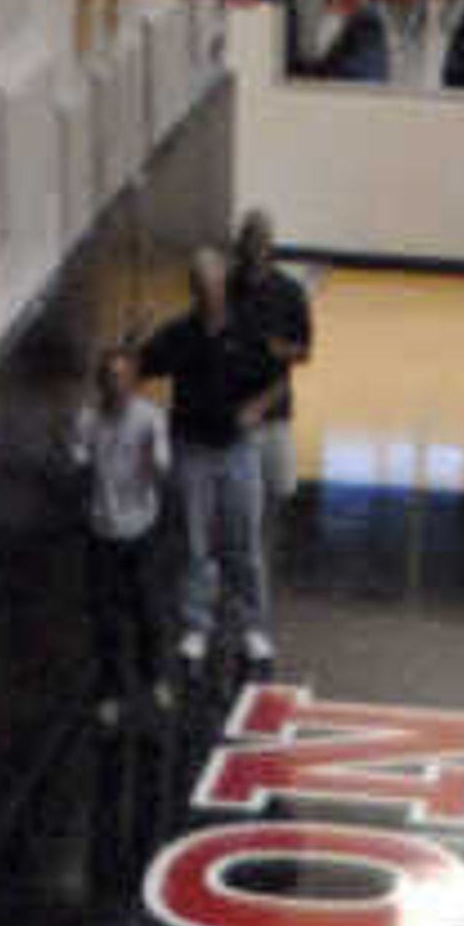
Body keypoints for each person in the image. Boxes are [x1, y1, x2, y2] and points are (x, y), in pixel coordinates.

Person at [141, 246, 276, 674]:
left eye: (210, 283)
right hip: (193, 451)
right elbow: (142, 365)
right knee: (195, 543)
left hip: (238, 450)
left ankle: (253, 626)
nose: (204, 292)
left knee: (243, 542)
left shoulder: (250, 330)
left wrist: (256, 409)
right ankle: (196, 626)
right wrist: (128, 352)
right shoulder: (179, 335)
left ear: (223, 284)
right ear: (192, 289)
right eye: (197, 285)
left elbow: (278, 383)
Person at [68, 336, 174, 728]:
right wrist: (83, 467)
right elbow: (78, 460)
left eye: (123, 378)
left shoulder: (150, 418)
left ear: (134, 383)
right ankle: (112, 691)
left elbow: (162, 467)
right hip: (102, 532)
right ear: (101, 384)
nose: (116, 385)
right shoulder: (87, 419)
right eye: (109, 378)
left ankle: (156, 679)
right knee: (106, 618)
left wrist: (151, 460)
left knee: (148, 610)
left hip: (141, 530)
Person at [227, 202, 313, 520]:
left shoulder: (290, 292)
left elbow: (304, 351)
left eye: (261, 241)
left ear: (270, 246)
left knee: (277, 489)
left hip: (275, 409)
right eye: (249, 239)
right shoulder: (225, 289)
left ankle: (265, 549)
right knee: (239, 498)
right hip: (236, 408)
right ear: (240, 244)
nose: (254, 248)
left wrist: (282, 351)